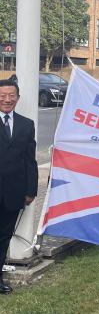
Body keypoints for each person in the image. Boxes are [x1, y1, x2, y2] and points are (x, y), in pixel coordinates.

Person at [0, 79, 38, 295]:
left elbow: (29, 161)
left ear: (17, 98)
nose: (7, 99)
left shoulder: (26, 124)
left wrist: (31, 190)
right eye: (3, 95)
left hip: (14, 194)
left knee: (4, 238)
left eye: (11, 95)